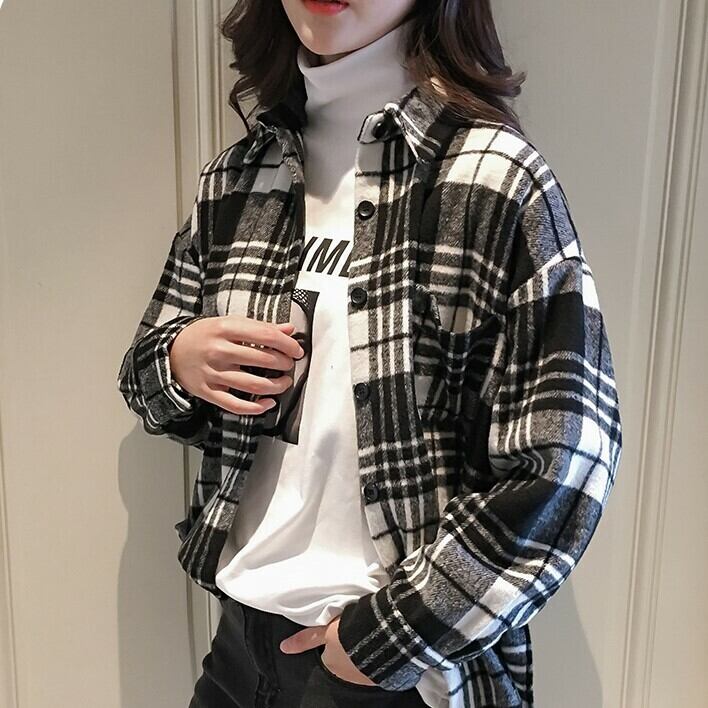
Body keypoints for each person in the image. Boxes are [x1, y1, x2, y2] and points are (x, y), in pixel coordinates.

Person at [116, 1, 623, 706]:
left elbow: (567, 462)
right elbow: (143, 381)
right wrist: (179, 361)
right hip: (239, 648)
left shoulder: (491, 179)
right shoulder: (242, 176)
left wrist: (387, 639)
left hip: (388, 671)